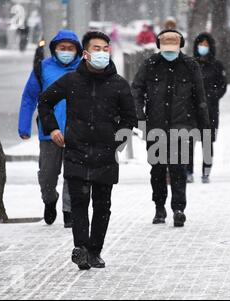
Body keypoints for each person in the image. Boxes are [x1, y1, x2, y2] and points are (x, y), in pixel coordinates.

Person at [38, 31, 137, 270]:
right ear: (85, 54)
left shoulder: (118, 84)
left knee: (102, 206)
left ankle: (95, 251)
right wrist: (52, 130)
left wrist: (118, 139)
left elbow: (130, 117)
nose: (101, 53)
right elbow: (45, 101)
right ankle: (81, 248)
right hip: (76, 152)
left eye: (105, 49)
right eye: (96, 49)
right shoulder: (72, 81)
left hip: (105, 154)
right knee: (79, 204)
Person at [132, 29, 210, 227]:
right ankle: (159, 208)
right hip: (155, 125)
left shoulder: (190, 66)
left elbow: (200, 98)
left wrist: (204, 127)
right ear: (159, 47)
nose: (169, 52)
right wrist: (139, 117)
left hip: (182, 126)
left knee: (178, 169)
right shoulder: (150, 65)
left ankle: (178, 208)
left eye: (172, 48)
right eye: (166, 48)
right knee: (157, 170)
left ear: (180, 46)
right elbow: (136, 91)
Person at [19, 30, 82, 228]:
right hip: (49, 133)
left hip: (77, 132)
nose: (66, 51)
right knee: (47, 175)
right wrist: (24, 126)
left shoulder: (84, 68)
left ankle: (69, 211)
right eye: (62, 48)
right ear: (54, 49)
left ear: (77, 51)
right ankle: (49, 199)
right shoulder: (43, 68)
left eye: (70, 48)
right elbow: (29, 97)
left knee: (73, 175)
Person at [187, 32, 227, 184]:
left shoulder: (217, 66)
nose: (203, 47)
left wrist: (211, 96)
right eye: (200, 44)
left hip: (210, 110)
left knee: (207, 141)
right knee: (189, 141)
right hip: (192, 109)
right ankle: (188, 171)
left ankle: (206, 172)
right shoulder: (190, 65)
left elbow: (222, 85)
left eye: (205, 45)